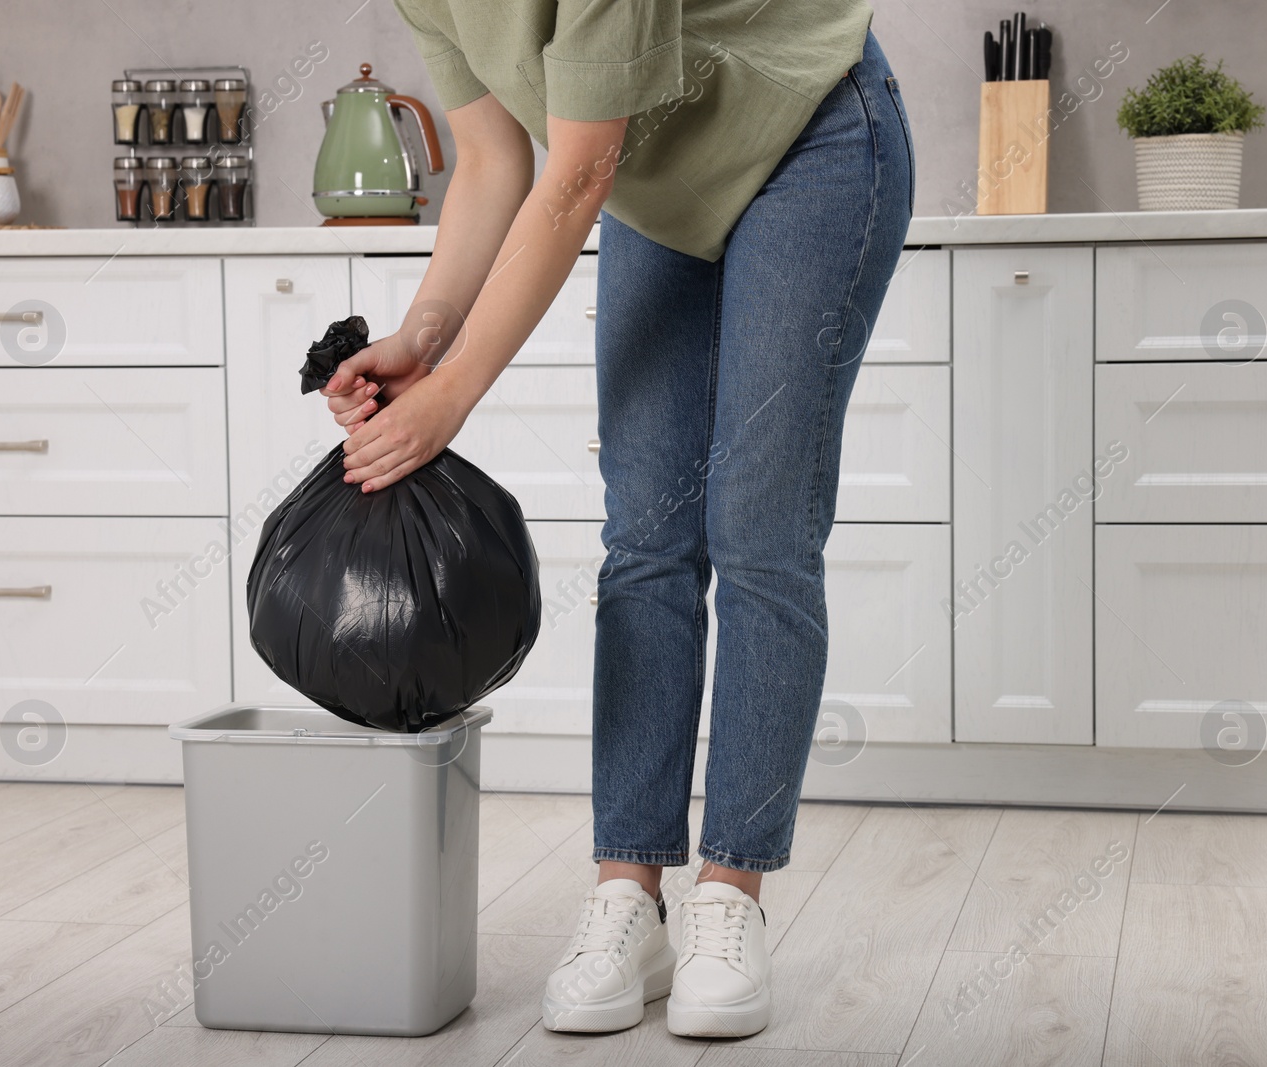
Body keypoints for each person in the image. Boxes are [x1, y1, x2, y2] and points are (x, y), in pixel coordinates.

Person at [318, 0, 913, 1039]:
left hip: (809, 139)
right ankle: (626, 897)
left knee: (759, 531)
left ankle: (729, 896)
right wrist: (424, 336)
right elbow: (495, 159)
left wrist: (455, 393)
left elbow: (577, 174)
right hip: (653, 181)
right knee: (646, 538)